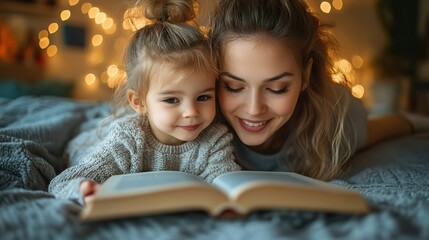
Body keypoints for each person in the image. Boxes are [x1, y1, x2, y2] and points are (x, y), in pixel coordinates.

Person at [209, 0, 429, 180]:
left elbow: (393, 124)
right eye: (234, 87)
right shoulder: (194, 116)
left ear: (305, 75)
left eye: (277, 88)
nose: (254, 109)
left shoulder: (335, 123)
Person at [49, 0, 240, 205]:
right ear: (139, 102)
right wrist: (86, 190)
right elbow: (63, 181)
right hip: (88, 142)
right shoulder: (128, 139)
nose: (191, 112)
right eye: (172, 99)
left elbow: (225, 183)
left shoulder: (215, 139)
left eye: (203, 97)